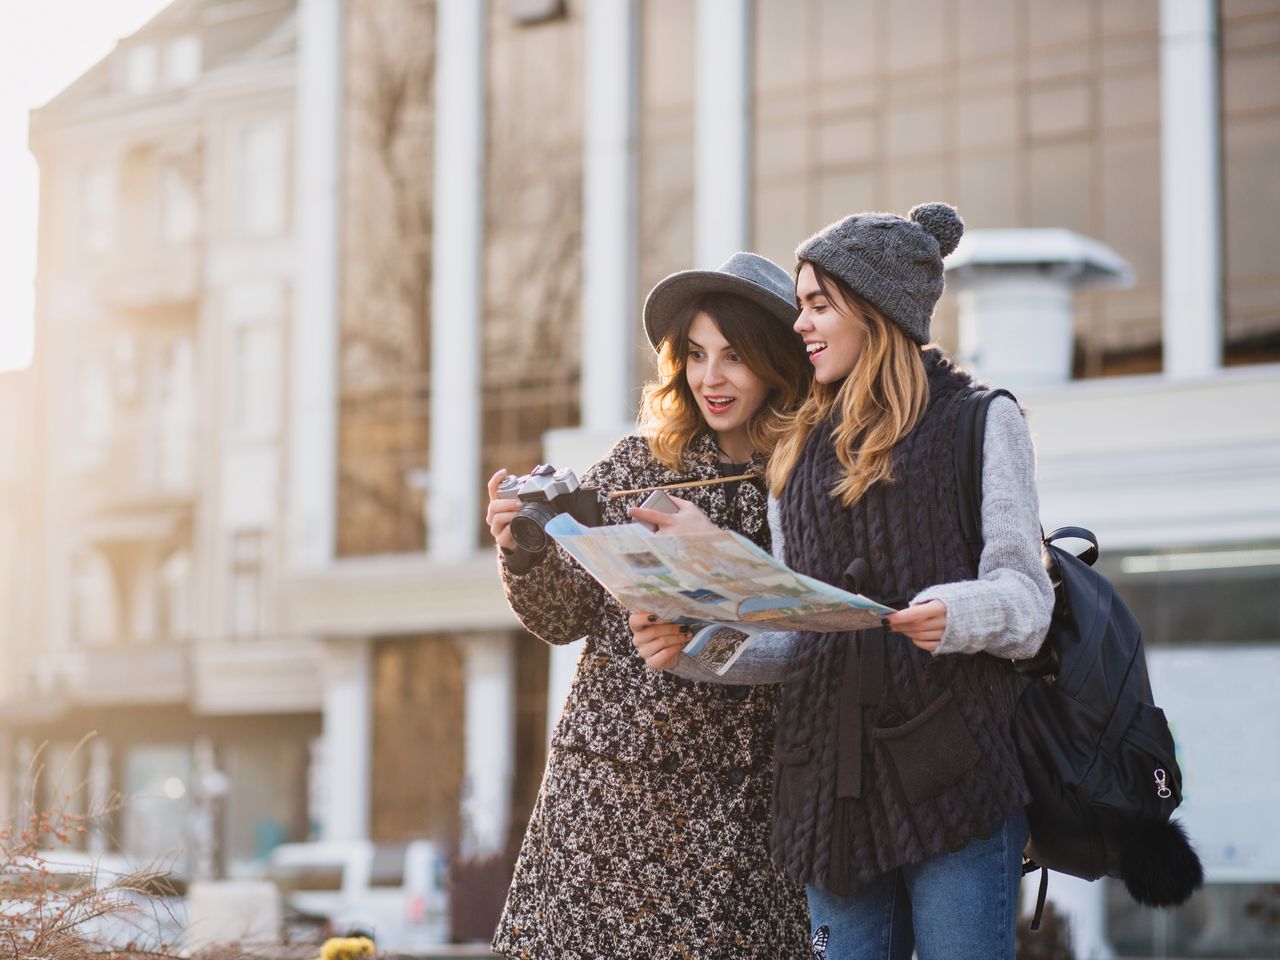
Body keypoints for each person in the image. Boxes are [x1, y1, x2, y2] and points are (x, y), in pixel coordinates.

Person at [629, 204, 1055, 960]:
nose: (800, 325)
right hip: (829, 793)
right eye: (802, 306)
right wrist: (699, 646)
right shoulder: (795, 454)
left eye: (819, 305)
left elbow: (1028, 601)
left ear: (878, 309)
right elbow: (804, 636)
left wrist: (953, 614)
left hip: (955, 780)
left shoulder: (982, 421)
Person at [487, 253, 813, 960]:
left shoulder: (804, 474)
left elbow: (811, 622)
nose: (711, 378)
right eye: (695, 355)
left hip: (736, 797)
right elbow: (563, 617)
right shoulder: (638, 462)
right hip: (605, 783)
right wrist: (523, 549)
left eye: (734, 356)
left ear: (778, 361)